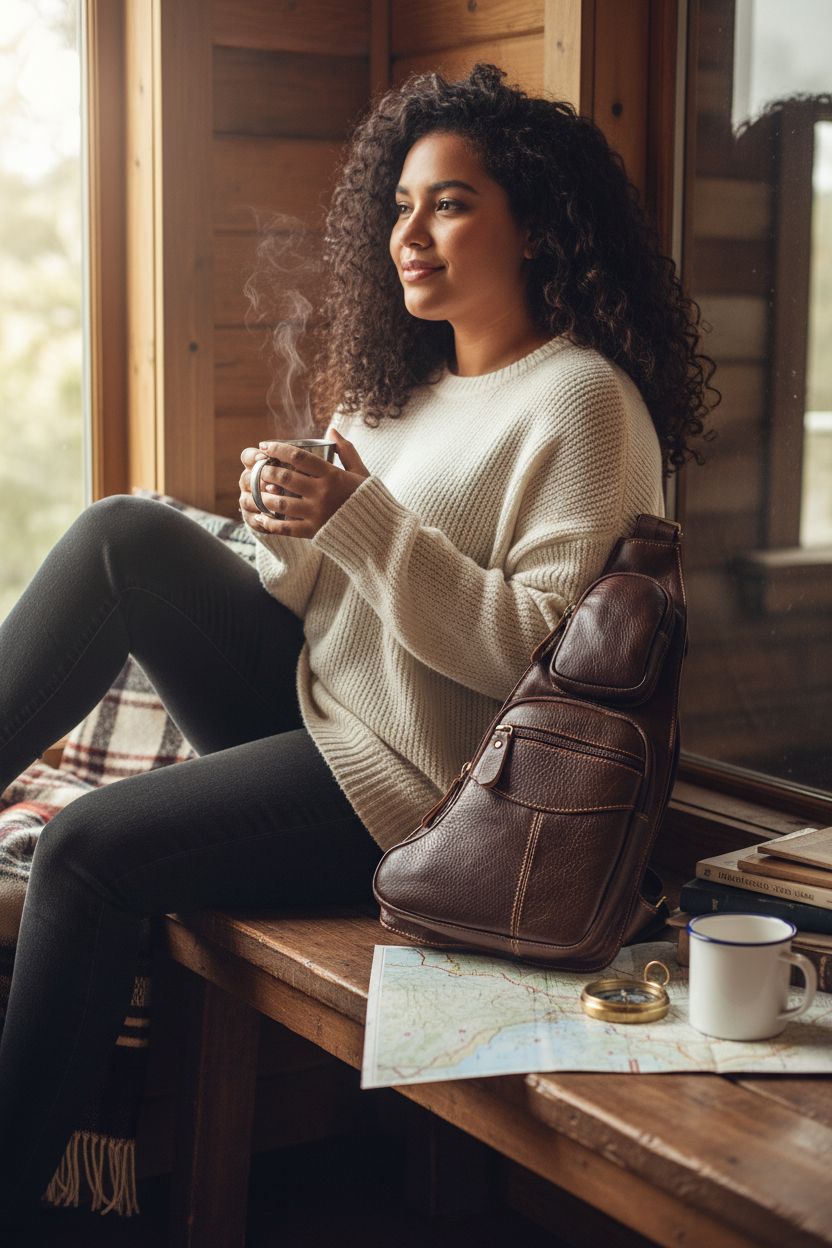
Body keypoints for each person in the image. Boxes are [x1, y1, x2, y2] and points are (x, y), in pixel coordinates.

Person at [0, 62, 716, 1226]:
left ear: (534, 224)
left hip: (431, 799)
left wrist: (358, 516)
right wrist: (289, 526)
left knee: (84, 848)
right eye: (399, 206)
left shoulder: (585, 404)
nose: (410, 233)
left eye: (449, 202)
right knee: (121, 535)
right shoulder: (398, 395)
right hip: (322, 716)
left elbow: (526, 663)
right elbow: (319, 605)